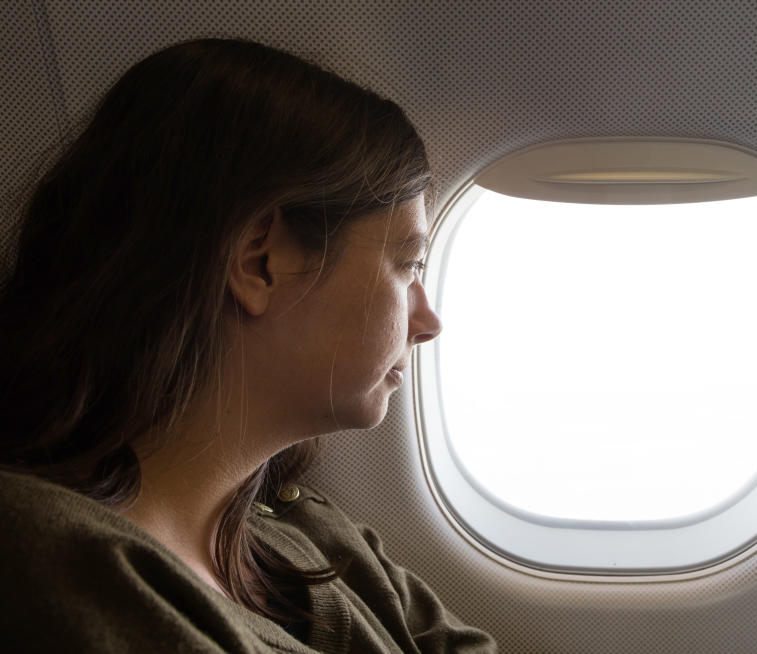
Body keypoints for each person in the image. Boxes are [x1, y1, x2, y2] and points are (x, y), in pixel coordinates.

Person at [0, 38, 497, 653]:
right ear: (263, 261)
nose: (427, 321)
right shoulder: (55, 558)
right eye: (406, 265)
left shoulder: (299, 530)